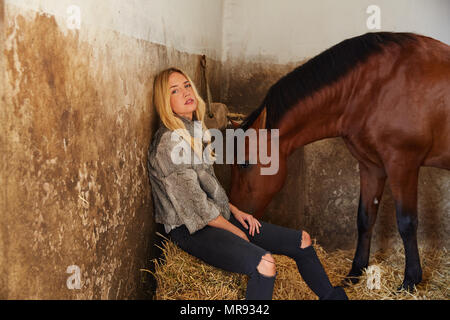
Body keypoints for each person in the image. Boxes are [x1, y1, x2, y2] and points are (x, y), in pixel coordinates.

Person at [147, 67, 348, 300]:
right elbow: (197, 209)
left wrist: (237, 212)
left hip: (215, 217)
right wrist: (235, 231)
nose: (185, 92)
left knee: (302, 241)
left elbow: (208, 189)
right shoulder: (169, 144)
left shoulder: (195, 131)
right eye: (174, 90)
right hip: (191, 230)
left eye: (187, 85)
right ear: (165, 101)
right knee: (265, 265)